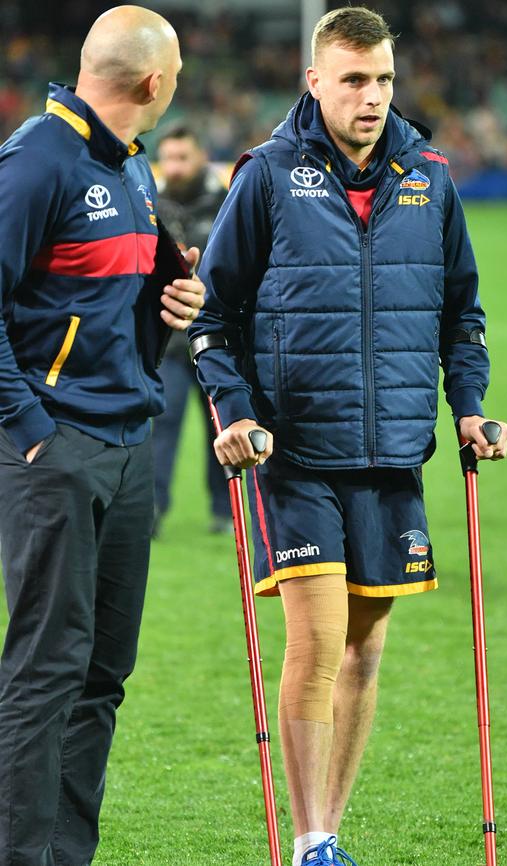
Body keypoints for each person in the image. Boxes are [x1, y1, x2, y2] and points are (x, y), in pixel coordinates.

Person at [190, 7, 507, 865]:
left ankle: (328, 832)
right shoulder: (265, 175)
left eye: (384, 81)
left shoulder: (429, 178)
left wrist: (470, 408)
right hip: (293, 453)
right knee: (320, 640)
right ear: (316, 82)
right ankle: (312, 839)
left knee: (366, 654)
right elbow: (213, 319)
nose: (372, 98)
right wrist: (237, 415)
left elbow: (462, 317)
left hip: (396, 452)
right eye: (355, 81)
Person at [0, 7, 205, 865]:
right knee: (47, 672)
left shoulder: (128, 165)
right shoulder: (34, 162)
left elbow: (112, 299)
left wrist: (173, 298)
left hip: (127, 450)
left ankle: (64, 854)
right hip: (58, 454)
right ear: (155, 83)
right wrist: (32, 429)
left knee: (100, 678)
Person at [152, 124, 230, 535]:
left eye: (182, 157)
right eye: (167, 158)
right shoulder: (152, 206)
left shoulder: (229, 203)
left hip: (218, 339)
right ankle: (152, 510)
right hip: (168, 340)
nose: (174, 167)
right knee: (161, 424)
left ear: (201, 156)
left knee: (221, 426)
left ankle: (226, 511)